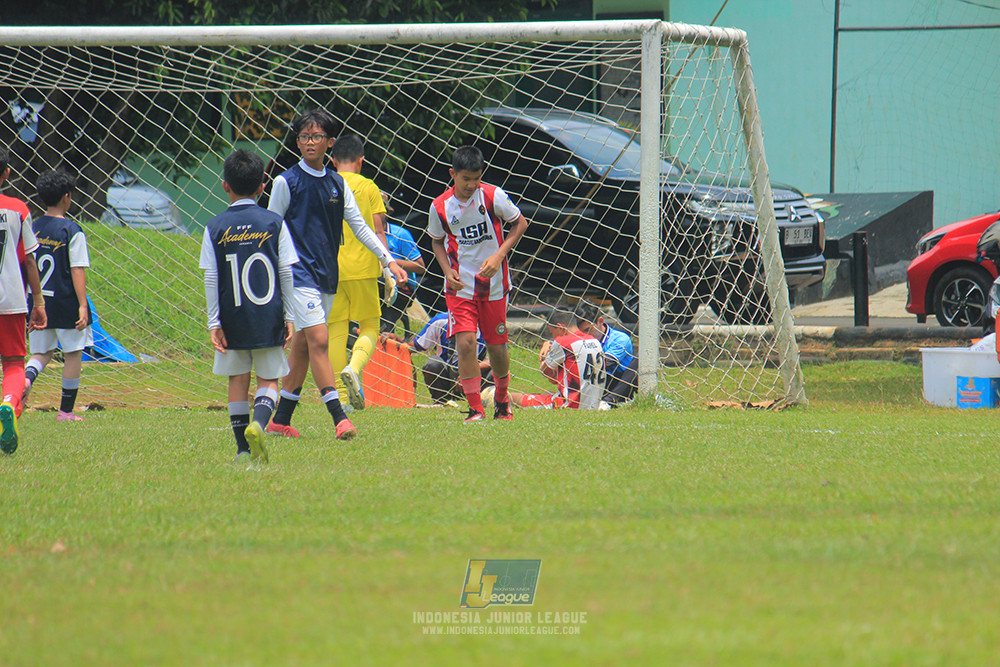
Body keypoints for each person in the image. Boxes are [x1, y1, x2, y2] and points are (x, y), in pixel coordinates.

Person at [266, 109, 406, 440]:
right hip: (296, 276)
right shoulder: (286, 182)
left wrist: (388, 261)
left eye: (315, 137)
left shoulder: (336, 184)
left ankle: (280, 420)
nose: (309, 142)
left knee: (302, 343)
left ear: (329, 143)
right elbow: (270, 231)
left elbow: (360, 226)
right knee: (319, 339)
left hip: (328, 276)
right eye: (303, 137)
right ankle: (339, 417)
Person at [200, 149, 297, 463]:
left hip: (232, 318)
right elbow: (285, 271)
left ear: (225, 185)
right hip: (268, 316)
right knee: (269, 380)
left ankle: (243, 449)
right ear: (262, 186)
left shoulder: (214, 227)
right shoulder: (274, 223)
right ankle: (259, 423)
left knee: (237, 380)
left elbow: (212, 277)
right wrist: (290, 315)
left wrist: (214, 322)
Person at [427, 145, 528, 422]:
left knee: (496, 346)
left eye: (476, 178)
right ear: (453, 174)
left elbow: (520, 223)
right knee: (467, 343)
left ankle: (502, 399)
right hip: (460, 287)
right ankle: (475, 408)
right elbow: (436, 240)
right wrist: (447, 270)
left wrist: (498, 255)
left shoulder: (493, 195)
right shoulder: (440, 206)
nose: (472, 184)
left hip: (493, 284)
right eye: (466, 179)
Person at [326, 134, 394, 413]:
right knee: (370, 327)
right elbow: (379, 231)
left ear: (331, 161)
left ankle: (342, 399)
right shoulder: (368, 187)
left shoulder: (324, 184)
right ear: (361, 162)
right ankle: (354, 368)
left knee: (336, 331)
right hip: (364, 268)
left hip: (331, 268)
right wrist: (388, 267)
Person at [21, 170, 92, 422]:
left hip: (39, 302)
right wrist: (83, 305)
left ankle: (26, 380)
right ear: (67, 198)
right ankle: (66, 412)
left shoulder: (32, 226)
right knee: (73, 353)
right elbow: (77, 269)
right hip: (65, 301)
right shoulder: (71, 230)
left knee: (41, 353)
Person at [0, 147, 46, 454]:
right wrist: (39, 302)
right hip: (11, 299)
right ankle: (7, 403)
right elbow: (30, 260)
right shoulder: (18, 209)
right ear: (6, 174)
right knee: (15, 363)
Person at [502, 308, 606, 411]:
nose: (553, 337)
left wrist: (545, 359)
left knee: (514, 397)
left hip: (571, 405)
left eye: (552, 333)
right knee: (547, 394)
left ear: (560, 328)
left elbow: (546, 371)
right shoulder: (594, 340)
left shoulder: (563, 342)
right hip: (594, 403)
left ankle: (492, 395)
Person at [382, 311, 490, 405]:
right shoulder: (440, 321)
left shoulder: (487, 324)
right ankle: (441, 400)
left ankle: (488, 397)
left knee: (495, 371)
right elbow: (415, 346)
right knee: (433, 363)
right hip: (447, 375)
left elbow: (496, 357)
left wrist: (471, 370)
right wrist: (395, 340)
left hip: (475, 377)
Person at [574, 300, 638, 407]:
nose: (585, 335)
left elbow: (605, 364)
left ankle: (607, 402)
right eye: (582, 332)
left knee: (639, 360)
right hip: (592, 384)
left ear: (600, 321)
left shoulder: (620, 338)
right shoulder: (581, 339)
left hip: (618, 385)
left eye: (588, 329)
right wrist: (550, 342)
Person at [380, 197, 425, 334]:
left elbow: (420, 267)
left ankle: (385, 331)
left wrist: (388, 259)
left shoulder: (400, 234)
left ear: (386, 212)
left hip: (402, 285)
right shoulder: (361, 233)